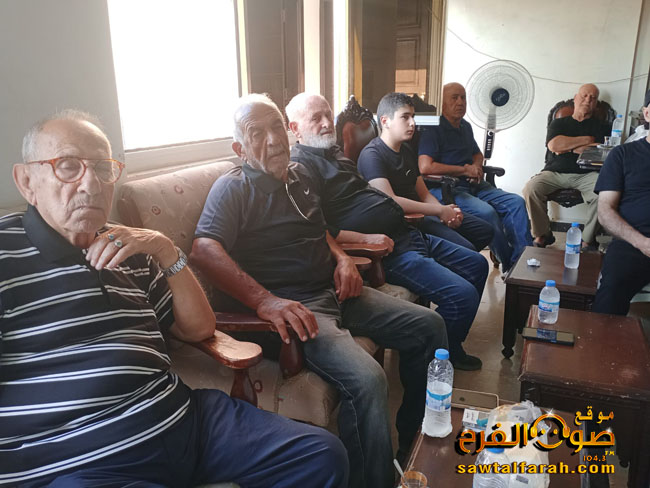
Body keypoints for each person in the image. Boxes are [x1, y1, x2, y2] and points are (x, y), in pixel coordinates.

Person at [0, 110, 348, 488]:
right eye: (68, 166)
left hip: (183, 420)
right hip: (81, 460)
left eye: (102, 168)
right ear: (26, 181)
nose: (92, 184)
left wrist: (165, 249)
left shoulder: (131, 247)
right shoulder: (6, 253)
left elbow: (199, 328)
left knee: (321, 455)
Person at [190, 94, 447, 488]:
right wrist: (265, 301)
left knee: (430, 326)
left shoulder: (299, 175)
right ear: (239, 149)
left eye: (277, 127)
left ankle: (413, 444)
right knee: (368, 379)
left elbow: (320, 230)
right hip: (298, 312)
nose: (273, 139)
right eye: (257, 133)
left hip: (334, 291)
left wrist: (342, 259)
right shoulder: (233, 188)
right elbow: (204, 250)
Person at [286, 92, 488, 372]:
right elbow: (319, 228)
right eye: (316, 118)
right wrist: (365, 239)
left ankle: (448, 348)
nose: (327, 123)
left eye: (328, 115)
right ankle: (435, 361)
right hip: (388, 252)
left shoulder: (335, 153)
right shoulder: (301, 168)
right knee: (462, 296)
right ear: (295, 128)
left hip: (408, 232)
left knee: (478, 264)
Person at [418, 82, 533, 272]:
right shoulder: (433, 128)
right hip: (447, 189)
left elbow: (477, 154)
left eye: (463, 97)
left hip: (475, 185)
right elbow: (425, 166)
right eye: (454, 98)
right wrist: (464, 170)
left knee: (516, 203)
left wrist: (477, 167)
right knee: (487, 213)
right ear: (443, 102)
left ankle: (524, 263)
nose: (460, 102)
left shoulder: (465, 126)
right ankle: (511, 267)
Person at [523, 83, 610, 249]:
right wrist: (587, 140)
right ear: (575, 99)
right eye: (584, 96)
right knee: (531, 188)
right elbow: (554, 145)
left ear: (596, 104)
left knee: (603, 194)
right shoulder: (558, 123)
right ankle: (543, 234)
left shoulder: (602, 126)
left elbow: (600, 150)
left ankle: (587, 240)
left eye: (593, 98)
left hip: (587, 174)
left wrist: (566, 146)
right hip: (555, 172)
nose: (588, 100)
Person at [591, 90, 650, 315]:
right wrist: (642, 243)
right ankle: (601, 338)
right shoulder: (622, 155)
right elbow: (605, 211)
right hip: (633, 244)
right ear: (647, 114)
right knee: (611, 291)